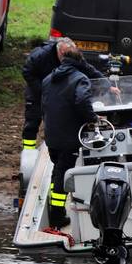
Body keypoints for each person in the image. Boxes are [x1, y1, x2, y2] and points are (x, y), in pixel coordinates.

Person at [41, 44, 98, 229]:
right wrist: (92, 118)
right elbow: (82, 100)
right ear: (79, 61)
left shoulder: (48, 78)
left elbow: (45, 105)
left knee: (57, 171)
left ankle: (54, 209)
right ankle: (57, 215)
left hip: (52, 134)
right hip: (68, 137)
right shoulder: (80, 79)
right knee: (63, 174)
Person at [21, 37, 103, 150]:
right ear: (59, 50)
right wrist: (43, 90)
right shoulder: (40, 55)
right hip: (38, 90)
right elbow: (27, 72)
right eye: (64, 54)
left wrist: (106, 83)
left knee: (58, 119)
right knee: (32, 121)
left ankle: (56, 146)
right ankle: (28, 149)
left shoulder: (71, 55)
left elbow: (89, 69)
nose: (66, 57)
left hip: (59, 91)